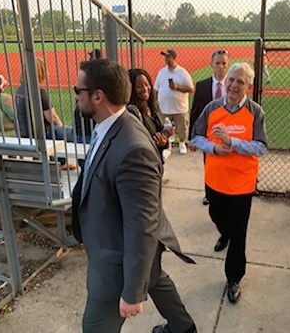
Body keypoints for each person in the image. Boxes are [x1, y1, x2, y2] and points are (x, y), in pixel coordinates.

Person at [72, 58, 197, 333]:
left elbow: (141, 225)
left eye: (77, 91)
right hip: (123, 246)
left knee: (94, 326)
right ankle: (184, 329)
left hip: (117, 263)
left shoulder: (132, 149)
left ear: (98, 96)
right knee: (156, 278)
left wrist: (131, 292)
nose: (76, 96)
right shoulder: (116, 120)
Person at [191, 62, 267, 304]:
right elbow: (196, 136)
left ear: (248, 86)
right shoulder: (212, 108)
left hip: (242, 184)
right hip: (215, 181)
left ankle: (234, 277)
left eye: (240, 82)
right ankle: (226, 233)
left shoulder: (255, 112)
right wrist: (213, 147)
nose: (234, 85)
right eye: (231, 80)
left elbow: (261, 147)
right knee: (216, 215)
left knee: (239, 233)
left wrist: (233, 142)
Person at [16, 57, 75, 170]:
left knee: (56, 131)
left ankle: (55, 161)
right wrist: (61, 127)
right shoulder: (40, 92)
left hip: (24, 133)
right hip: (39, 134)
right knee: (72, 133)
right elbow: (52, 118)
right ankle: (62, 163)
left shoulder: (20, 89)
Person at [189, 49, 230, 205]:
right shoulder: (202, 85)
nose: (220, 67)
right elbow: (195, 113)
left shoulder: (232, 86)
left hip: (229, 133)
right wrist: (192, 138)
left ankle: (226, 193)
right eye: (217, 63)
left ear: (228, 65)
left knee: (227, 165)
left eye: (224, 63)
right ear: (211, 64)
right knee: (210, 165)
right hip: (209, 135)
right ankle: (209, 194)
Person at [154, 48, 194, 154]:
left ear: (174, 58)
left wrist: (177, 87)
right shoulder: (161, 72)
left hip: (179, 107)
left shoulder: (182, 72)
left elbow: (191, 89)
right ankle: (169, 144)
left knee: (181, 126)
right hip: (164, 107)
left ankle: (181, 143)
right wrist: (154, 102)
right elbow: (156, 89)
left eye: (168, 57)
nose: (166, 59)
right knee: (165, 126)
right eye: (165, 57)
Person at [129, 68, 173, 162]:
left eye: (146, 84)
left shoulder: (151, 108)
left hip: (155, 163)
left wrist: (164, 139)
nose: (145, 89)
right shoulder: (132, 113)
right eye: (139, 86)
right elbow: (139, 144)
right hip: (144, 165)